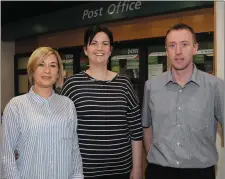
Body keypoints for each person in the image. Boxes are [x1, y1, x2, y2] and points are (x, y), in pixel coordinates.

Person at [142, 23, 224, 179]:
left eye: (184, 44)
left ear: (195, 48)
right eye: (172, 46)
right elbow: (147, 126)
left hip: (200, 173)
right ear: (166, 51)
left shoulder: (216, 86)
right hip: (159, 171)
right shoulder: (151, 86)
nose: (178, 51)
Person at [60, 26, 143, 179]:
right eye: (94, 43)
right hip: (84, 171)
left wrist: (137, 168)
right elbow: (62, 131)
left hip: (121, 170)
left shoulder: (124, 83)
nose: (100, 48)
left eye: (105, 44)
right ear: (85, 49)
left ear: (111, 50)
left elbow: (136, 130)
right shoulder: (72, 85)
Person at [1, 47, 83, 179]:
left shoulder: (67, 105)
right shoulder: (16, 106)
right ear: (32, 71)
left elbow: (74, 149)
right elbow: (6, 155)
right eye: (41, 64)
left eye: (53, 65)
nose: (47, 70)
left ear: (58, 73)